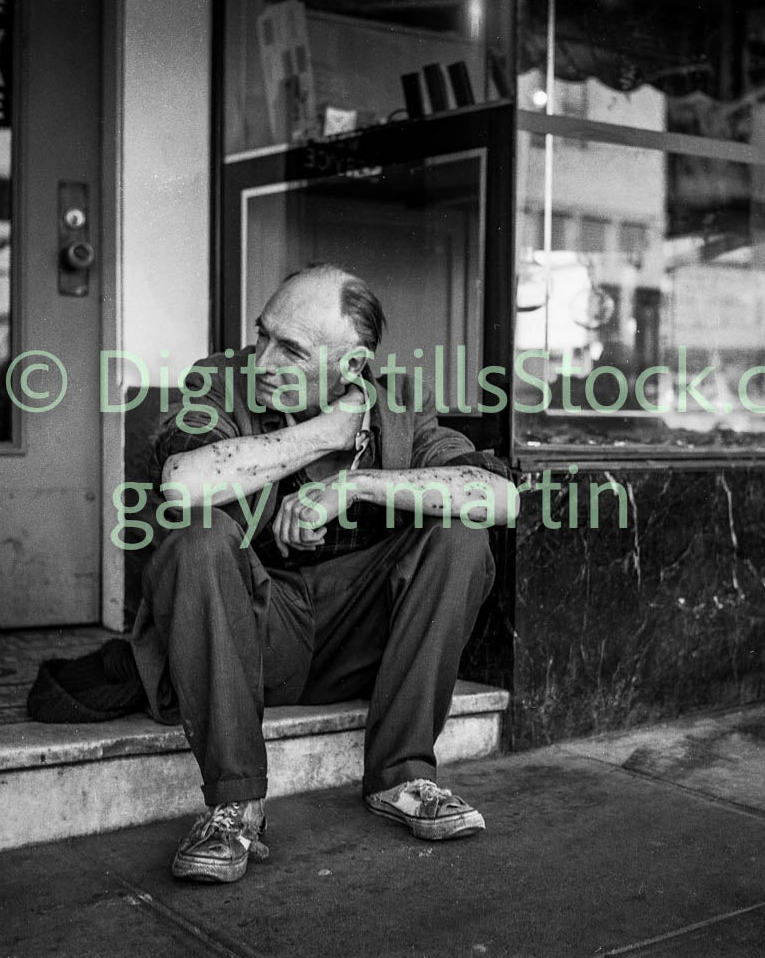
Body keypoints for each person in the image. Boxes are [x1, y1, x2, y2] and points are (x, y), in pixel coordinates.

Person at [130, 262, 515, 884]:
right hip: (254, 641)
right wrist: (323, 433)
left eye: (291, 351)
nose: (263, 362)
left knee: (462, 528)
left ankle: (404, 776)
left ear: (354, 367)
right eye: (263, 337)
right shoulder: (221, 384)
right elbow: (181, 484)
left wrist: (356, 483)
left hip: (361, 644)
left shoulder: (399, 409)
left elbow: (501, 499)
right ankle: (235, 804)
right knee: (195, 534)